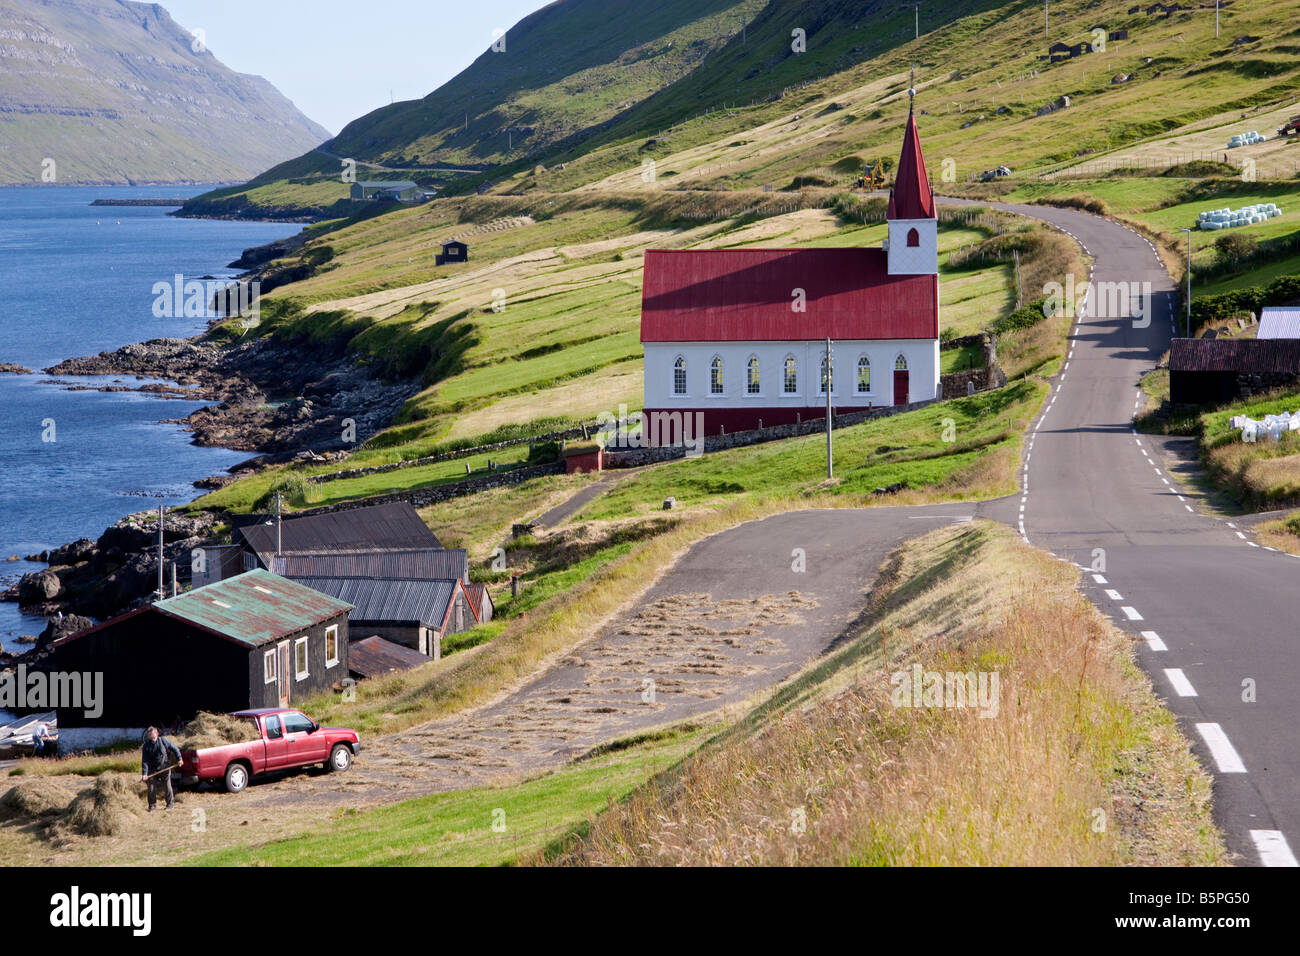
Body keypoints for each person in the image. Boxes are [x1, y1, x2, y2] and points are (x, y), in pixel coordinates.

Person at [141, 726, 181, 811]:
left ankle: (169, 805)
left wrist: (179, 759)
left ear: (156, 734)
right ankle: (152, 806)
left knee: (167, 786)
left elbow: (175, 749)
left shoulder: (163, 741)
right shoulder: (146, 746)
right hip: (152, 769)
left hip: (165, 767)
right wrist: (144, 773)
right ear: (148, 736)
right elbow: (144, 761)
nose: (151, 736)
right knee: (151, 788)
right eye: (149, 735)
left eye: (152, 734)